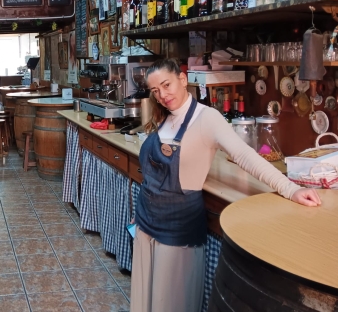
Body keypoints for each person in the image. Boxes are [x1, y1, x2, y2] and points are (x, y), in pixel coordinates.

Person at [130, 58, 321, 312]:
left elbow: (245, 155)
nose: (162, 95)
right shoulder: (165, 116)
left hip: (177, 228)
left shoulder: (208, 118)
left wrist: (291, 189)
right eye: (155, 91)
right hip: (146, 222)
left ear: (183, 79)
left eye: (166, 85)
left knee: (170, 303)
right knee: (145, 299)